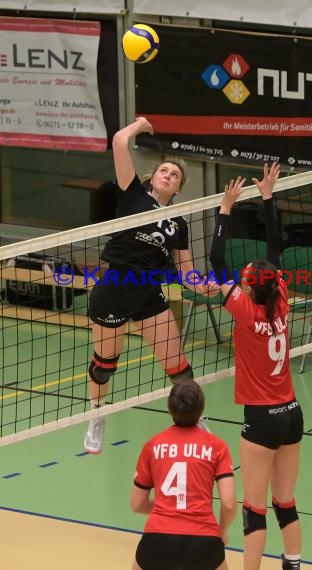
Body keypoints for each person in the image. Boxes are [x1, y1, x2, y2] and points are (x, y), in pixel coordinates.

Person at [84, 117, 219, 454]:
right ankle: (97, 416)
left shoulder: (180, 223)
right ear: (153, 177)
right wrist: (140, 125)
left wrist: (202, 287)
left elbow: (187, 274)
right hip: (115, 286)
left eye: (174, 175)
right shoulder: (132, 195)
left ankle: (197, 420)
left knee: (178, 365)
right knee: (104, 367)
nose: (168, 175)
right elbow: (118, 141)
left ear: (178, 188)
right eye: (164, 171)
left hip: (148, 293)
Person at [210, 163, 304, 570]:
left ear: (249, 286)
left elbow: (214, 260)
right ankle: (294, 563)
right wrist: (267, 196)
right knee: (286, 502)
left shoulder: (246, 313)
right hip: (292, 412)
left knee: (255, 507)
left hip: (263, 419)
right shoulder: (280, 297)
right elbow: (275, 250)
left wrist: (225, 208)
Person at [130, 379, 237, 570]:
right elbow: (229, 504)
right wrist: (222, 531)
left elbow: (137, 504)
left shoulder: (152, 446)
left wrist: (169, 506)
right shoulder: (217, 447)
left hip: (157, 541)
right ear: (201, 409)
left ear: (170, 408)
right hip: (203, 541)